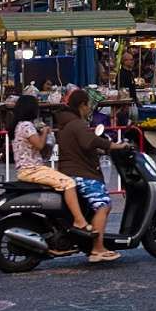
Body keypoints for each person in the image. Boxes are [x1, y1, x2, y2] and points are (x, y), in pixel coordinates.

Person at [51, 90, 118, 262]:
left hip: (70, 171)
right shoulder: (77, 124)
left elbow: (82, 146)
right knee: (104, 205)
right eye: (88, 105)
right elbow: (91, 141)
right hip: (81, 174)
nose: (89, 109)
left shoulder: (66, 123)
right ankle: (98, 249)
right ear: (82, 105)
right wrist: (114, 146)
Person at [9, 94, 89, 235]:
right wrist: (45, 132)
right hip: (32, 170)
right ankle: (79, 220)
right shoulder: (26, 126)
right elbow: (40, 145)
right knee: (69, 183)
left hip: (30, 169)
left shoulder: (19, 126)